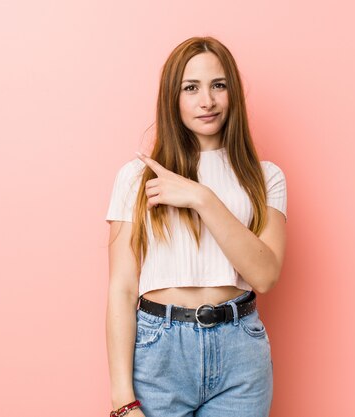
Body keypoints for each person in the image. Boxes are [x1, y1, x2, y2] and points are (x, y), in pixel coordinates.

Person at [105, 36, 287, 417]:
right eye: (191, 88)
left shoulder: (264, 177)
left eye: (218, 85)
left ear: (232, 93)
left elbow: (265, 275)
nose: (207, 101)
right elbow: (122, 288)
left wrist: (201, 198)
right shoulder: (137, 177)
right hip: (159, 353)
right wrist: (122, 399)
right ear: (173, 97)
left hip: (241, 351)